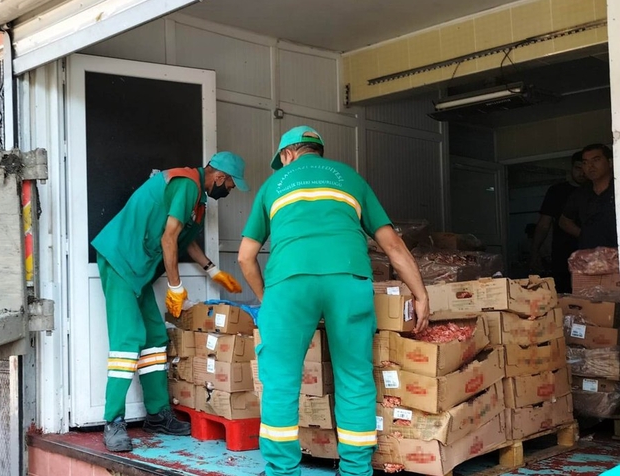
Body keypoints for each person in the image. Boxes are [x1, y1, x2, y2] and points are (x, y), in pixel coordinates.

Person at [237, 126, 429, 476]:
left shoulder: (272, 186)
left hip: (289, 283)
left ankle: (282, 471)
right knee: (354, 376)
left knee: (280, 381)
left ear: (287, 155)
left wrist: (270, 301)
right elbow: (393, 245)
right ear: (317, 151)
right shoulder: (351, 179)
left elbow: (245, 257)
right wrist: (419, 293)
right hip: (349, 279)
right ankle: (356, 470)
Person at [91, 151, 249, 452]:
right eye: (230, 185)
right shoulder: (188, 184)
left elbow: (184, 240)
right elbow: (168, 239)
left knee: (154, 337)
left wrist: (212, 270)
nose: (229, 190)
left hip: (137, 269)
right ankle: (112, 421)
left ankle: (157, 415)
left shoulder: (197, 196)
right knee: (128, 339)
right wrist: (175, 287)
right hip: (121, 259)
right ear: (219, 176)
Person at [530, 151, 586, 293]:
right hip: (563, 254)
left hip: (591, 252)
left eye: (584, 168)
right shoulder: (557, 191)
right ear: (572, 168)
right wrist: (535, 251)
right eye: (578, 168)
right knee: (564, 295)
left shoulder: (596, 191)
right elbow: (544, 223)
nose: (582, 173)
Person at [560, 144, 617, 251]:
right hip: (592, 257)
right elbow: (564, 221)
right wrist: (586, 235)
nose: (590, 166)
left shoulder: (617, 188)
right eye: (585, 162)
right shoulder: (581, 193)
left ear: (610, 162)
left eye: (596, 160)